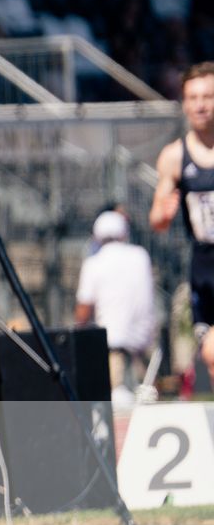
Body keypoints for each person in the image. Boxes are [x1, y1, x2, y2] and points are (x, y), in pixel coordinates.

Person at [150, 62, 214, 385]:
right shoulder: (174, 156)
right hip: (205, 269)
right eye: (193, 97)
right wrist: (164, 212)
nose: (200, 105)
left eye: (208, 96)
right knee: (213, 356)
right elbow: (157, 221)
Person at [74, 209, 156, 405]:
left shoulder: (94, 263)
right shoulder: (141, 256)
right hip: (144, 349)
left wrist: (79, 333)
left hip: (112, 352)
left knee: (117, 411)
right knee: (146, 407)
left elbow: (83, 309)